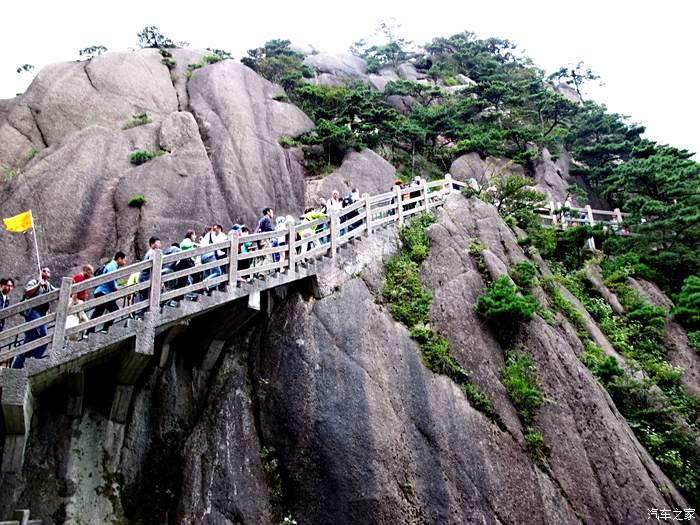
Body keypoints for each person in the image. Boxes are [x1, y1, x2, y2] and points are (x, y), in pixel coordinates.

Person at [12, 268, 56, 369]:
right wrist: (38, 285)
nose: (47, 273)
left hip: (42, 313)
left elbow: (57, 291)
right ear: (40, 272)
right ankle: (23, 360)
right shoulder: (34, 281)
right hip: (33, 311)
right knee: (35, 333)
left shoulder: (48, 285)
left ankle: (33, 359)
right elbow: (28, 292)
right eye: (44, 271)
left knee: (44, 336)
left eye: (49, 271)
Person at [85, 252, 127, 336]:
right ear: (119, 259)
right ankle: (105, 328)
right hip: (104, 292)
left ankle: (89, 332)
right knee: (114, 310)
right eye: (124, 260)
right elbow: (110, 279)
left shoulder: (111, 265)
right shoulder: (112, 266)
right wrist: (115, 287)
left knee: (98, 312)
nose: (125, 262)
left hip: (101, 291)